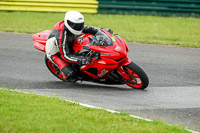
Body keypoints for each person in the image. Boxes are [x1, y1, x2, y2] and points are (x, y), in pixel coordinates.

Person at [45, 11, 100, 82]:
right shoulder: (61, 36)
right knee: (71, 75)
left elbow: (91, 29)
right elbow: (65, 55)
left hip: (70, 42)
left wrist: (102, 31)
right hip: (56, 53)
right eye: (76, 26)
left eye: (80, 25)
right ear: (68, 23)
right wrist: (80, 59)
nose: (78, 27)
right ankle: (65, 73)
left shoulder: (76, 26)